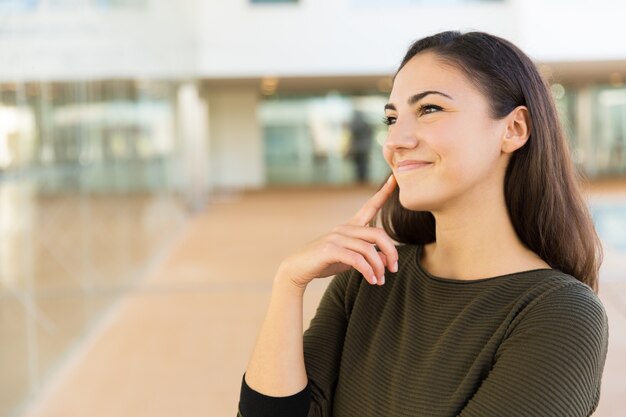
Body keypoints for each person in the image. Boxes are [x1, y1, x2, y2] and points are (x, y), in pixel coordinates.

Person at [237, 31, 609, 417]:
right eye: (391, 118)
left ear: (513, 129)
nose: (395, 140)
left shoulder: (561, 313)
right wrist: (289, 282)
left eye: (430, 109)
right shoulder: (368, 278)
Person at [347, 109, 373, 183]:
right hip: (363, 148)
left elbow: (352, 135)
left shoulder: (355, 124)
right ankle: (362, 181)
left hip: (359, 149)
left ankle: (361, 181)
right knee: (362, 166)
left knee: (360, 166)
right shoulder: (366, 124)